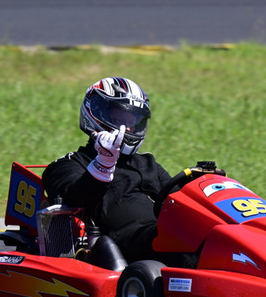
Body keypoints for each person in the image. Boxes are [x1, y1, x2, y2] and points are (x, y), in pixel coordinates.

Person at [42, 76, 174, 264]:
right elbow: (74, 198)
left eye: (133, 121)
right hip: (125, 242)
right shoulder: (68, 164)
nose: (128, 127)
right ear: (95, 113)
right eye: (119, 119)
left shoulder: (147, 163)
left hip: (163, 234)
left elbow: (178, 199)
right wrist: (103, 164)